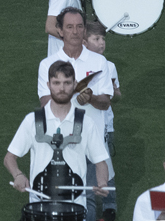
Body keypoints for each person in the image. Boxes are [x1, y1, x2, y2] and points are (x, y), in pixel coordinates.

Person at [38, 9, 114, 221]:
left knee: (87, 199)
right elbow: (45, 103)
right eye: (69, 27)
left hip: (92, 141)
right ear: (60, 31)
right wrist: (72, 92)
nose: (75, 32)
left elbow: (106, 102)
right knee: (63, 200)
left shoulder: (99, 62)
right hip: (61, 144)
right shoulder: (47, 65)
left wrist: (90, 97)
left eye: (80, 27)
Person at [6, 61, 110, 207]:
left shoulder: (86, 123)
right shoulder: (32, 120)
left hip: (76, 205)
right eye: (56, 83)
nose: (62, 88)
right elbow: (10, 157)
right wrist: (17, 175)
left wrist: (103, 183)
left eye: (67, 83)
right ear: (48, 85)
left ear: (75, 85)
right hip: (39, 204)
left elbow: (101, 162)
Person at [86, 20, 120, 221]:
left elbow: (118, 95)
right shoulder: (77, 65)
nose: (101, 43)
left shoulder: (110, 66)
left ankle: (109, 206)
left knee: (107, 166)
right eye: (96, 38)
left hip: (106, 125)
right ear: (84, 42)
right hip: (88, 126)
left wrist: (114, 90)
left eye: (103, 39)